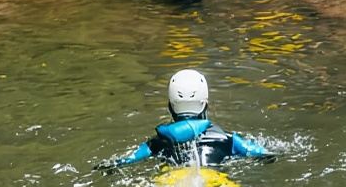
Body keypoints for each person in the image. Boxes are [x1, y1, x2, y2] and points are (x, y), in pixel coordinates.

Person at [97, 70, 271, 169]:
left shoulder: (158, 142)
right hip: (213, 181)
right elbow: (261, 153)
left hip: (173, 184)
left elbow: (128, 160)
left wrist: (109, 166)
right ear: (205, 104)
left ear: (170, 106)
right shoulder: (227, 139)